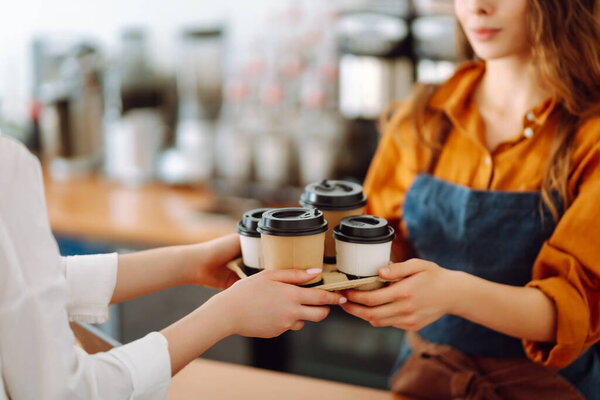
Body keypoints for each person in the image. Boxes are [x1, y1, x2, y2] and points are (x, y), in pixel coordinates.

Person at [340, 0, 600, 399]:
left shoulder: (590, 135)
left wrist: (453, 294)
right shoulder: (424, 116)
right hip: (424, 379)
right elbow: (381, 238)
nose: (478, 7)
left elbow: (575, 308)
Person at [0, 134, 346, 400]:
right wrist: (225, 316)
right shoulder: (8, 166)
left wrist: (191, 263)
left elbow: (24, 285)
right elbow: (69, 393)